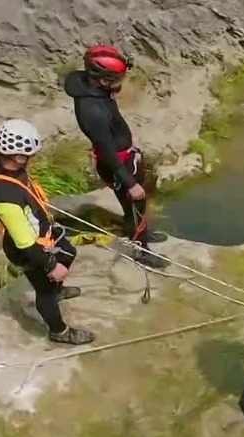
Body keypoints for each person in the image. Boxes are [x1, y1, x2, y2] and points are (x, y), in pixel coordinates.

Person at [0, 119, 94, 346]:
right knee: (44, 290)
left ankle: (58, 290)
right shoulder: (4, 194)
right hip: (28, 248)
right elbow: (25, 243)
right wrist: (51, 266)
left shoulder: (8, 166)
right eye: (29, 155)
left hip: (40, 233)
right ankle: (59, 331)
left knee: (68, 251)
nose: (31, 159)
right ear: (17, 157)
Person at [63, 44, 169, 269]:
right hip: (116, 162)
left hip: (122, 157)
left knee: (135, 203)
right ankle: (141, 250)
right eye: (117, 78)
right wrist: (129, 182)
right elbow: (106, 149)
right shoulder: (91, 110)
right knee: (135, 201)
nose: (121, 82)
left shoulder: (93, 89)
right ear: (102, 79)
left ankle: (139, 232)